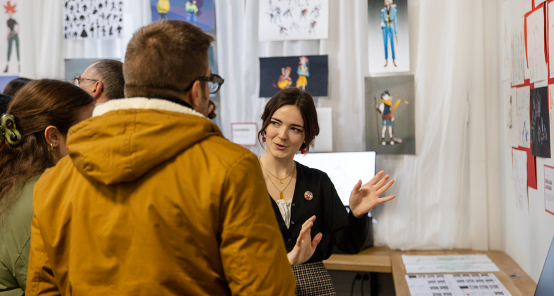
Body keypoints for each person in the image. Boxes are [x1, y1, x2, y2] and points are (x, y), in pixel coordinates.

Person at [26, 20, 296, 296]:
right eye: (210, 82)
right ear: (196, 90)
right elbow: (267, 290)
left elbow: (41, 289)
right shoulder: (231, 168)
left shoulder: (54, 181)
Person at [257, 88, 396, 296]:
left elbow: (348, 244)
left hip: (314, 285)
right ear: (265, 125)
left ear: (306, 137)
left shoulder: (317, 181)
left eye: (294, 129)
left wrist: (357, 214)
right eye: (275, 123)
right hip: (262, 282)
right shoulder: (242, 179)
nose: (282, 135)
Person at [0, 79, 94, 296]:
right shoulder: (40, 199)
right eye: (86, 131)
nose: (93, 141)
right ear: (53, 136)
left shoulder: (15, 179)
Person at [3, 1, 19, 73]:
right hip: (11, 34)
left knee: (17, 48)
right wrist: (8, 35)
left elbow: (18, 25)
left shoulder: (14, 20)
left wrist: (16, 31)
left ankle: (19, 65)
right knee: (9, 49)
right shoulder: (8, 21)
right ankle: (7, 65)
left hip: (14, 34)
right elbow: (7, 28)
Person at [381, 0, 397, 67]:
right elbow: (382, 19)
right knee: (385, 44)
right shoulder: (383, 10)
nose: (386, 1)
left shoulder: (393, 9)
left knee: (392, 43)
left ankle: (394, 60)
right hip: (384, 27)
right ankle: (386, 60)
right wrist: (381, 24)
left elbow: (395, 21)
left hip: (390, 26)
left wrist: (396, 32)